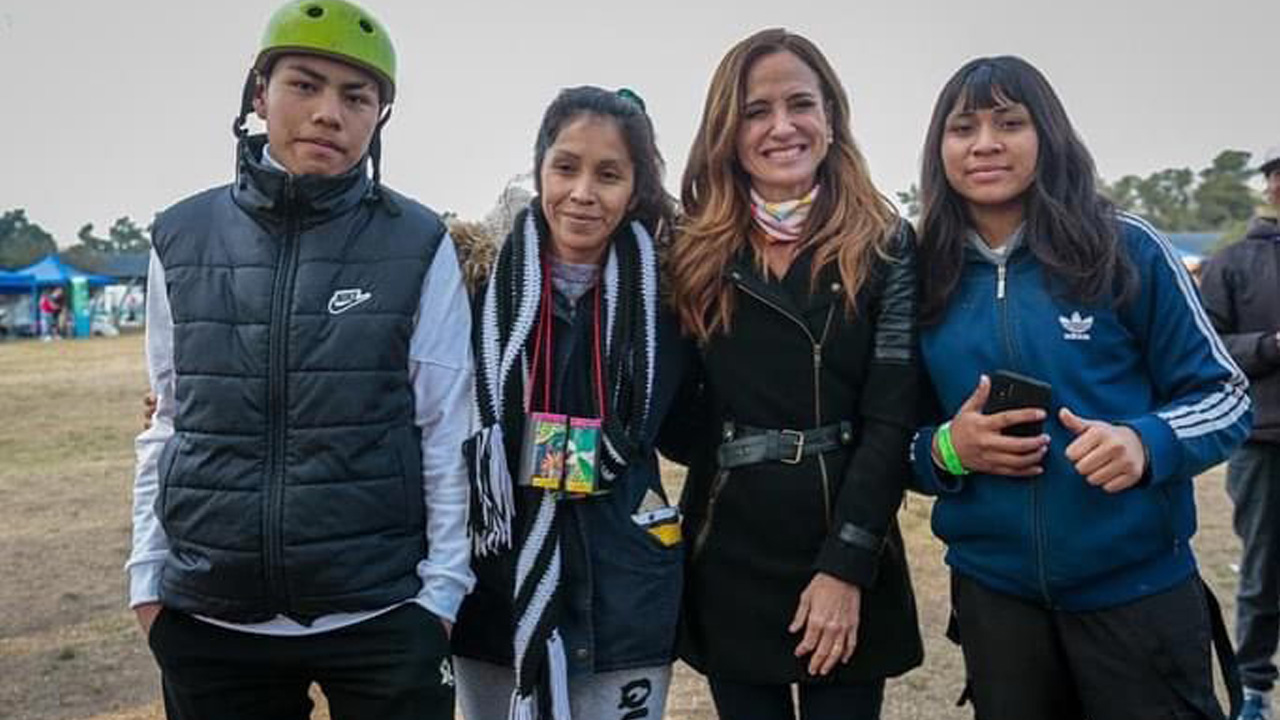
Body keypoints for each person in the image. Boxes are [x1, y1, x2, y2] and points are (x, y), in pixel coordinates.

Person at [125, 2, 471, 718]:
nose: (327, 114)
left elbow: (445, 431)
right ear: (259, 93)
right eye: (304, 85)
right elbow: (168, 417)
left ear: (380, 117)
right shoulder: (180, 236)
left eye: (356, 97)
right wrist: (147, 583)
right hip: (210, 616)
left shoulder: (418, 241)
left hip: (381, 613)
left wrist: (439, 597)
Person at [909, 55, 1251, 720]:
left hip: (1138, 593)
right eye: (963, 128)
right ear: (939, 147)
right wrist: (951, 449)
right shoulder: (918, 272)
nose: (985, 143)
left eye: (1009, 122)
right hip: (994, 599)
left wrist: (1144, 442)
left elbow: (1226, 394)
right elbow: (896, 439)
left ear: (1049, 136)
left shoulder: (1127, 249)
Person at [667, 28, 922, 720]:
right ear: (728, 130)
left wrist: (845, 566)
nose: (781, 127)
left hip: (847, 532)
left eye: (800, 104)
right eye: (755, 111)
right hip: (729, 549)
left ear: (832, 118)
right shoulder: (691, 250)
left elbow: (892, 416)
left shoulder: (888, 244)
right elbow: (677, 415)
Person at [450, 86, 696, 720]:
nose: (583, 192)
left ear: (636, 187)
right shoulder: (472, 293)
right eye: (566, 167)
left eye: (608, 174)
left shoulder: (674, 303)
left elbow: (704, 427)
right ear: (539, 170)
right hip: (494, 595)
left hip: (624, 596)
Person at [1200, 144, 1280, 720]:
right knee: (1263, 570)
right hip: (1264, 442)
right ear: (1270, 186)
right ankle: (1254, 686)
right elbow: (1208, 353)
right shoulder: (1232, 263)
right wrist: (1273, 346)